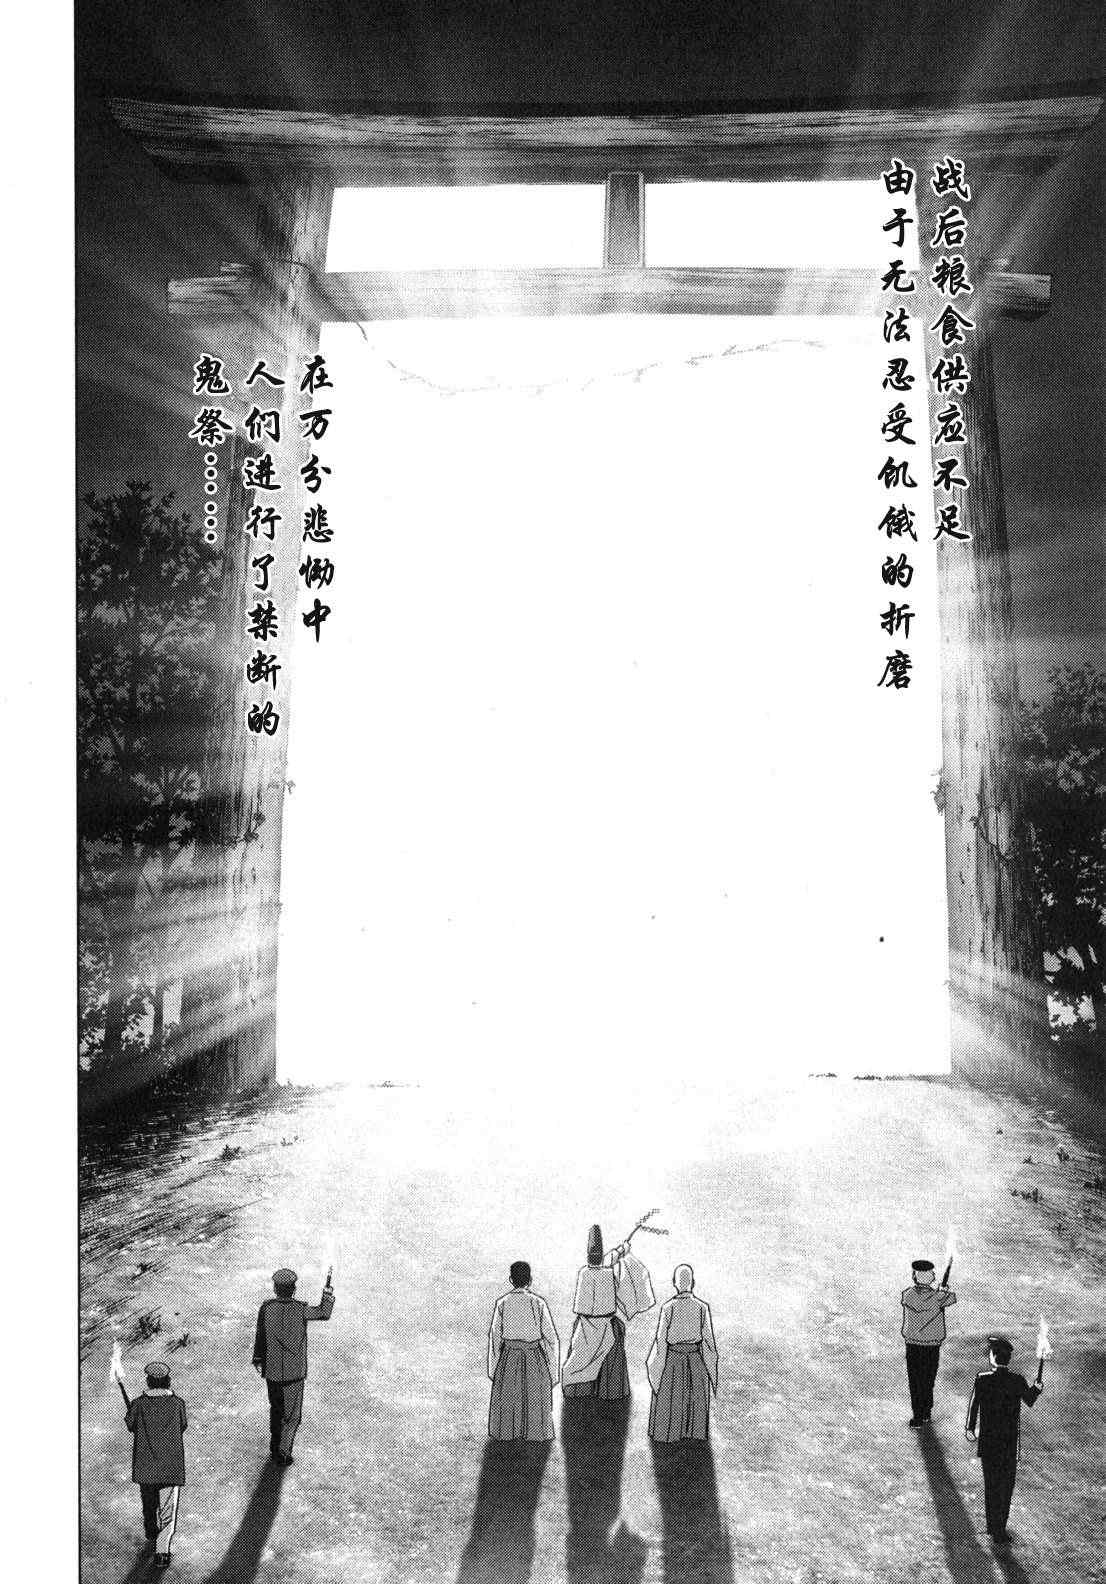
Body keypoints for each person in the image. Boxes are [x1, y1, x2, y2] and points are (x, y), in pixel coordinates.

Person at [561, 1224, 655, 1400]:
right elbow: (610, 1260)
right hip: (606, 1326)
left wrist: (621, 1249)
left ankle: (580, 1389)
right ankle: (610, 1390)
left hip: (586, 1326)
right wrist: (623, 1249)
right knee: (616, 1334)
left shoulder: (584, 1273)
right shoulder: (607, 1272)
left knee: (577, 1358)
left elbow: (608, 1260)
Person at [253, 1266, 335, 1464]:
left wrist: (258, 1358)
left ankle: (275, 1448)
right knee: (292, 1416)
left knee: (276, 1411)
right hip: (294, 1372)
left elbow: (260, 1335)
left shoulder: (266, 1308)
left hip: (272, 1371)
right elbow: (323, 1313)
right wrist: (327, 1293)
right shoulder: (301, 1309)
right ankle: (283, 1452)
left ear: (275, 1288)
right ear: (294, 1289)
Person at [965, 1334, 1043, 1544]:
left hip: (989, 1442)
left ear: (992, 1357)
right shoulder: (1017, 1381)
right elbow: (1029, 1400)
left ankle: (992, 1526)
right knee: (1006, 1486)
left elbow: (974, 1405)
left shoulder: (982, 1379)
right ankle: (1000, 1527)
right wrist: (1037, 1388)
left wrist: (970, 1428)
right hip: (1008, 1444)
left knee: (991, 1484)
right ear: (1008, 1359)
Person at [486, 1260, 561, 1441]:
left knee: (509, 1397)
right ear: (530, 1280)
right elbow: (551, 1339)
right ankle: (534, 1432)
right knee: (534, 1398)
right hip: (534, 1358)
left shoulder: (502, 1303)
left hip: (509, 1359)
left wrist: (493, 1371)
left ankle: (508, 1432)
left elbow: (495, 1337)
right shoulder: (538, 1303)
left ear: (511, 1280)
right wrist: (553, 1373)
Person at [125, 1360, 187, 1569]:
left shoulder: (138, 1404)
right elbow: (183, 1425)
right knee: (168, 1511)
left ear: (149, 1382)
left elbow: (131, 1425)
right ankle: (162, 1551)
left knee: (149, 1504)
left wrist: (133, 1413)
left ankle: (151, 1533)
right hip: (170, 1466)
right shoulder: (178, 1403)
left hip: (147, 1467)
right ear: (168, 1381)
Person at [646, 1264, 718, 1443]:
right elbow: (708, 1341)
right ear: (692, 1282)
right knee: (695, 1398)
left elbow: (661, 1340)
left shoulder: (668, 1307)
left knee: (671, 1398)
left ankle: (669, 1432)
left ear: (675, 1283)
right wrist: (711, 1366)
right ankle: (694, 1432)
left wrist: (656, 1365)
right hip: (696, 1361)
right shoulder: (702, 1307)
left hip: (673, 1361)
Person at [900, 1257, 956, 1426]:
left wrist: (939, 1292)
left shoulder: (907, 1295)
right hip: (932, 1345)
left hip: (912, 1344)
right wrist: (943, 1290)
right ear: (931, 1277)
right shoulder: (939, 1297)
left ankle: (917, 1416)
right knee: (928, 1379)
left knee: (915, 1380)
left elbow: (924, 1300)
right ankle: (926, 1412)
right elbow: (952, 1298)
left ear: (914, 1276)